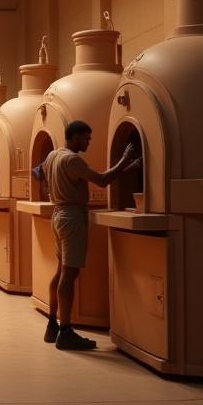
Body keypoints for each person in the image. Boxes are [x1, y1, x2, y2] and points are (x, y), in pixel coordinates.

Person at [33, 120, 140, 350]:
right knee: (69, 275)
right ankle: (66, 331)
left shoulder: (53, 155)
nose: (89, 142)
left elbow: (37, 172)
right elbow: (101, 180)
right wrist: (125, 158)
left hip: (58, 214)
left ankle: (52, 324)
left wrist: (126, 168)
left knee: (61, 270)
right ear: (74, 137)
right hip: (71, 217)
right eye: (86, 138)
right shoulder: (73, 160)